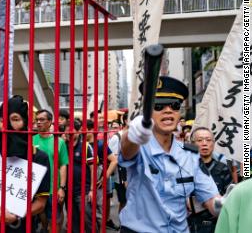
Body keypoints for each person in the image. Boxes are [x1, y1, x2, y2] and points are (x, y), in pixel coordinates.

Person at [119, 76, 220, 233]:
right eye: (159, 106)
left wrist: (227, 204)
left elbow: (211, 199)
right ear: (148, 112)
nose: (168, 110)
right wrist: (133, 134)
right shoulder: (139, 147)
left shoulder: (190, 155)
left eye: (174, 105)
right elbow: (127, 149)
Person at [0, 95, 50, 232]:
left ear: (25, 122)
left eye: (15, 119)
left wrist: (15, 216)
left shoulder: (38, 157)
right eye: (2, 120)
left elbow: (41, 204)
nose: (6, 125)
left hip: (19, 227)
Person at [188, 127, 233, 233]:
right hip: (189, 225)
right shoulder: (184, 167)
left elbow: (230, 197)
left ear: (213, 143)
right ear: (192, 143)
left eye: (208, 140)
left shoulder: (223, 168)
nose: (204, 143)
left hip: (216, 225)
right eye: (199, 140)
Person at [33, 109, 69, 233]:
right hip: (36, 189)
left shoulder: (59, 142)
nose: (38, 122)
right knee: (42, 220)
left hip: (54, 189)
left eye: (42, 120)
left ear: (49, 122)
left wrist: (62, 188)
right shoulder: (31, 140)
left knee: (55, 221)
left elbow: (63, 165)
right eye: (37, 120)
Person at [66, 119, 97, 233]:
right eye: (66, 130)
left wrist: (92, 190)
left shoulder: (85, 146)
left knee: (87, 220)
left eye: (71, 130)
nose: (68, 133)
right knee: (73, 220)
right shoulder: (63, 145)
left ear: (78, 132)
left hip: (83, 191)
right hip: (69, 191)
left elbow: (93, 169)